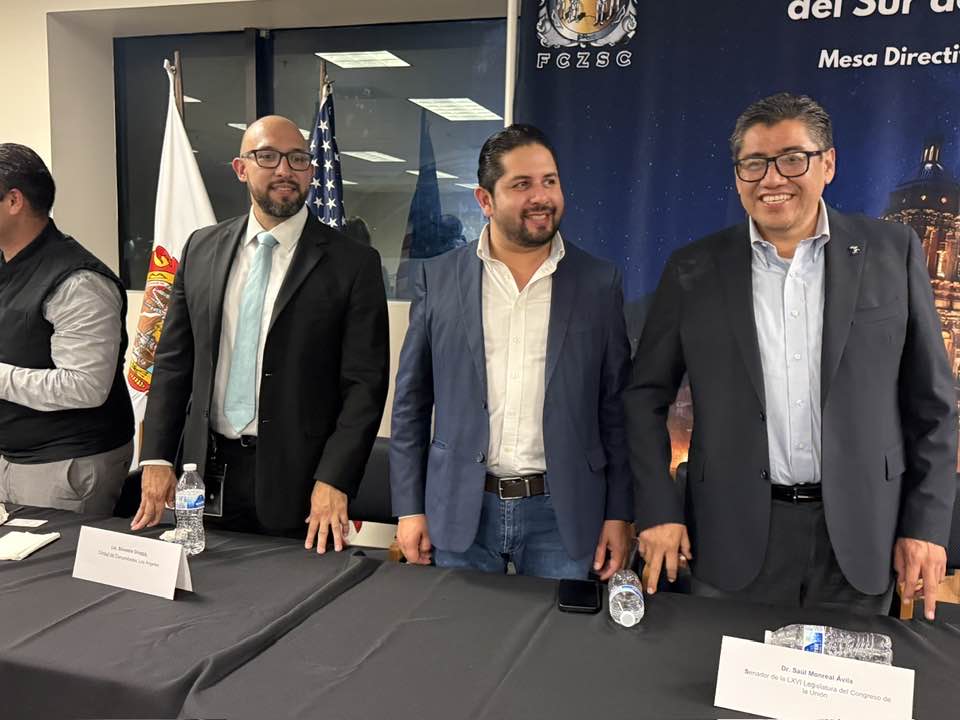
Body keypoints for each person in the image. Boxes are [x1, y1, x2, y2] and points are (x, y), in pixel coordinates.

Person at [625, 92, 957, 618]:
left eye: (793, 159)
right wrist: (657, 510)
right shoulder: (693, 269)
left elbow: (933, 405)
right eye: (754, 163)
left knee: (847, 673)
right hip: (730, 536)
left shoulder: (892, 252)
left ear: (829, 164)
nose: (772, 179)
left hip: (862, 537)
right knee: (726, 670)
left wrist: (926, 526)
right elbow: (643, 397)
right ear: (738, 176)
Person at [132, 116, 389, 553]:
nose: (284, 170)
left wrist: (335, 478)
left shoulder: (353, 263)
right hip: (207, 474)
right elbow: (174, 361)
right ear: (241, 168)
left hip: (302, 482)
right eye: (267, 156)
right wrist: (157, 456)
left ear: (311, 170)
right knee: (205, 587)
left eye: (298, 159)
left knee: (298, 591)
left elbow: (365, 385)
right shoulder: (201, 248)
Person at [389, 124, 633, 580]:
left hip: (563, 516)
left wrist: (619, 514)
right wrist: (409, 508)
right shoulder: (438, 279)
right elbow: (411, 404)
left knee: (557, 628)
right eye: (522, 184)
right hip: (460, 510)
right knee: (458, 625)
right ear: (485, 200)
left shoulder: (599, 282)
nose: (541, 197)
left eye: (549, 181)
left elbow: (615, 408)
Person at [0, 143, 133, 513]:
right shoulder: (10, 263)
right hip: (16, 452)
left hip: (65, 461)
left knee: (52, 553)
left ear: (14, 201)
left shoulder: (78, 281)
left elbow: (85, 386)